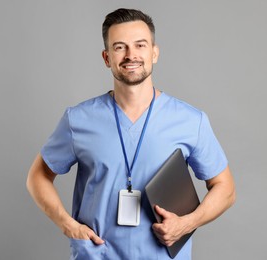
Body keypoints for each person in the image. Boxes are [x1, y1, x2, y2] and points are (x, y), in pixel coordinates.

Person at [26, 8, 235, 260]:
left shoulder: (191, 121)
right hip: (97, 254)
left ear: (154, 53)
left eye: (140, 45)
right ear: (106, 58)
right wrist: (67, 225)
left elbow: (225, 188)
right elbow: (37, 176)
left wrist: (187, 223)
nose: (131, 55)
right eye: (119, 47)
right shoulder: (78, 119)